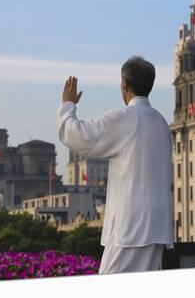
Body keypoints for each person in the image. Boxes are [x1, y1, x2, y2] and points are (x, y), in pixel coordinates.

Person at [56, 55, 173, 275]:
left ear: (124, 85)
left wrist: (67, 105)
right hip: (157, 227)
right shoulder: (161, 123)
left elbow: (78, 135)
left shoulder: (126, 118)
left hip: (131, 226)